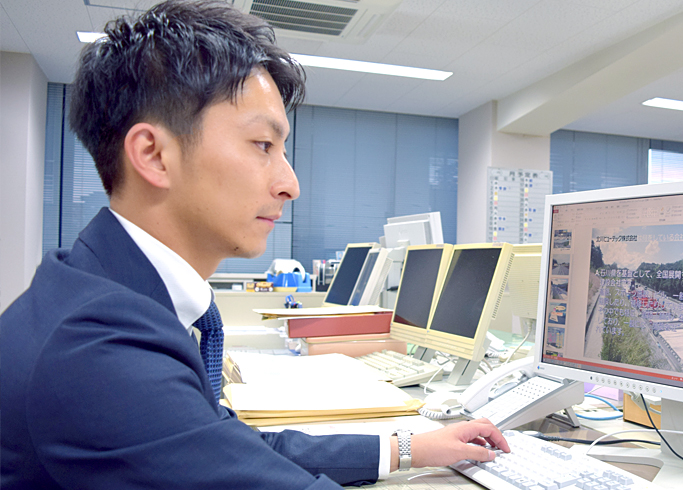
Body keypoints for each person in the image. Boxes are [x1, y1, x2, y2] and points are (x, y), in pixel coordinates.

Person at [0, 1, 509, 488]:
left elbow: (226, 447)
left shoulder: (102, 291)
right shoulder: (99, 349)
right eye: (263, 145)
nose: (291, 183)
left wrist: (407, 446)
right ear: (153, 155)